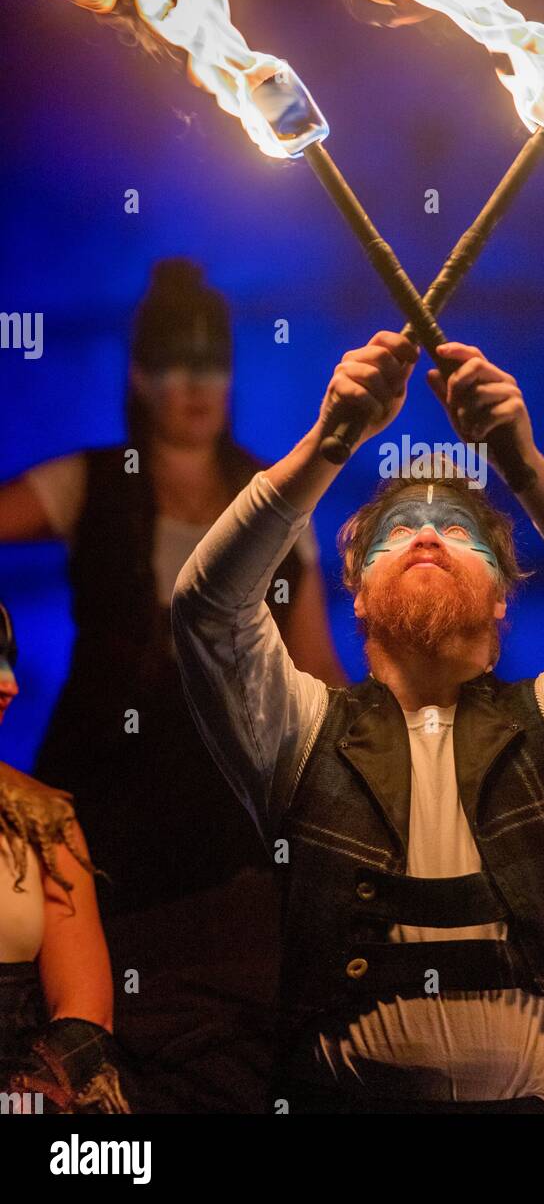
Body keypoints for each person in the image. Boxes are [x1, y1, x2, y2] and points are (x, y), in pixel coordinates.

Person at [172, 329, 544, 1113]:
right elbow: (208, 610)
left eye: (464, 532)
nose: (430, 533)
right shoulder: (301, 732)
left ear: (504, 595)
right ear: (358, 592)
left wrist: (525, 469)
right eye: (395, 530)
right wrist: (329, 442)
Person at [0, 258, 346, 1112]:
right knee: (89, 1015)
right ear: (138, 375)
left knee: (218, 1028)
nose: (195, 385)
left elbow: (316, 671)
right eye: (173, 363)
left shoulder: (275, 500)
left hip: (223, 821)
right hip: (100, 806)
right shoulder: (90, 481)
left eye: (213, 364)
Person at [0, 601, 130, 1113]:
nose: (9, 684)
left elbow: (86, 1016)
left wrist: (19, 1105)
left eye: (9, 660)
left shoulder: (44, 821)